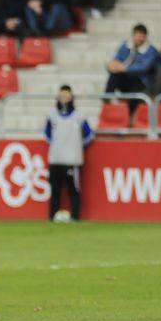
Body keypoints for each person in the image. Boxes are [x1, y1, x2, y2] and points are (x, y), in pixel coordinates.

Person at [45, 85, 93, 221]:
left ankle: (76, 217)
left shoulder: (79, 116)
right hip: (55, 158)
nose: (64, 98)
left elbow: (89, 135)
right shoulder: (51, 115)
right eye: (62, 95)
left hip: (72, 159)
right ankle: (52, 216)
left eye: (67, 95)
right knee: (55, 190)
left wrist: (76, 146)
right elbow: (47, 135)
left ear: (71, 96)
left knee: (73, 189)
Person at [105, 24, 158, 95]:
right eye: (136, 35)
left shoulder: (151, 50)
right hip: (126, 77)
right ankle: (107, 99)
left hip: (141, 81)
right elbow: (117, 58)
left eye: (140, 36)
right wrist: (112, 65)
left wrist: (125, 68)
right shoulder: (125, 45)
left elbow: (143, 68)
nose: (138, 38)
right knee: (114, 74)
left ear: (145, 37)